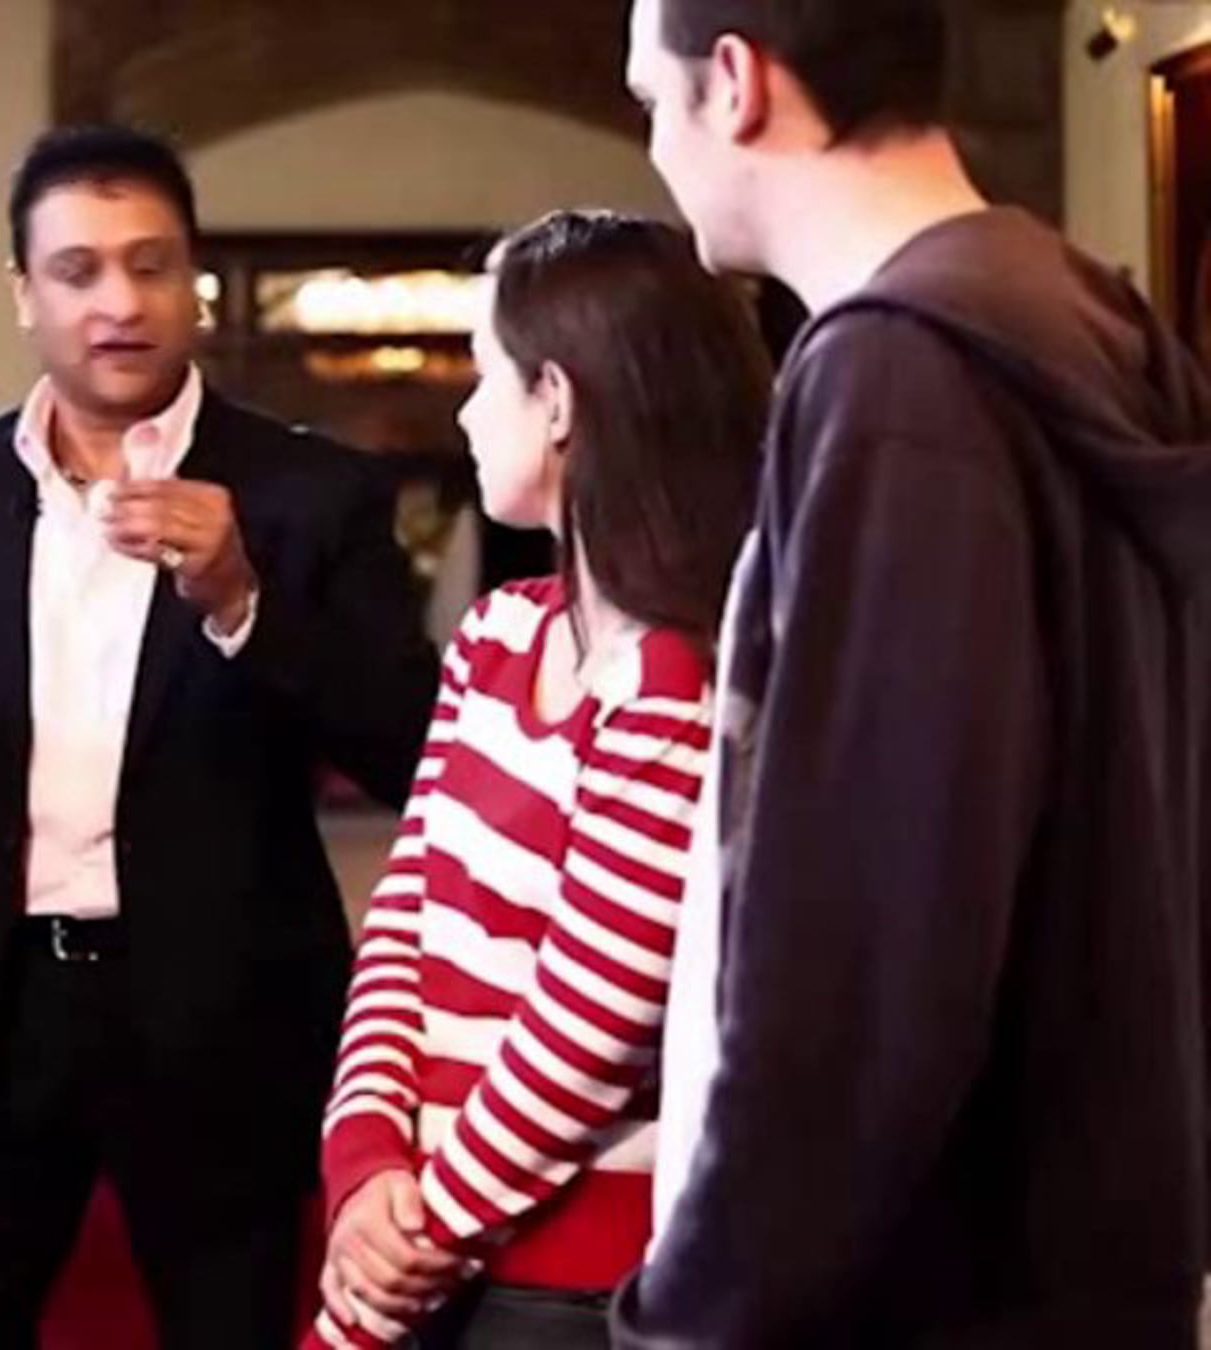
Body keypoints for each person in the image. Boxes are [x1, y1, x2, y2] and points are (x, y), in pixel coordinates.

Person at [0, 123, 435, 1348]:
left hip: (221, 1014)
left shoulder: (310, 492)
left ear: (195, 283)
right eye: (77, 270)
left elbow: (413, 754)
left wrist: (242, 602)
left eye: (150, 265)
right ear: (25, 292)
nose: (119, 303)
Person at [618, 0, 1211, 1342]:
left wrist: (698, 1309)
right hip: (1088, 1242)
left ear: (736, 82)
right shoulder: (1076, 307)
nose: (653, 149)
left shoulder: (897, 377)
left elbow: (870, 940)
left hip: (929, 1284)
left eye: (652, 102)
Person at [303, 211, 766, 1350]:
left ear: (557, 401)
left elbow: (594, 1022)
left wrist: (409, 1250)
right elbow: (404, 921)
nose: (464, 414)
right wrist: (364, 1161)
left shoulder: (673, 678)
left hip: (569, 1279)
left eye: (485, 375)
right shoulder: (500, 631)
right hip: (425, 1229)